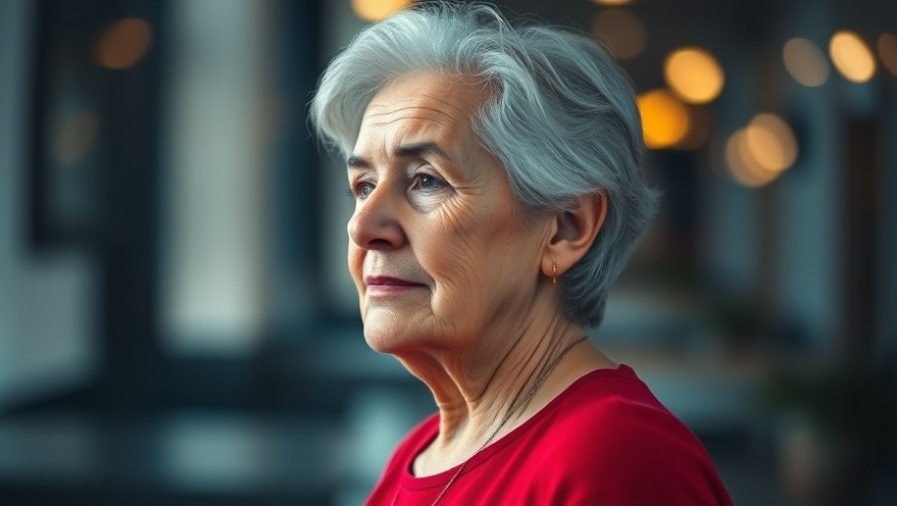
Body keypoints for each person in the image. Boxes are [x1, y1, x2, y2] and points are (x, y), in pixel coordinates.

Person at [311, 2, 732, 504]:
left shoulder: (616, 460)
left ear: (566, 229)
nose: (363, 226)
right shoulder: (419, 453)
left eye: (426, 181)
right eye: (363, 186)